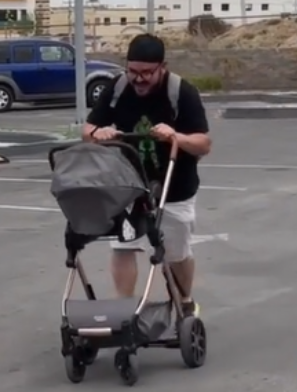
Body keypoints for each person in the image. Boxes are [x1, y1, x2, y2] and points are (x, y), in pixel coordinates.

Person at [83, 34, 212, 318]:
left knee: (176, 253)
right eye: (133, 71)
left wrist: (174, 136)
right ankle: (123, 309)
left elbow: (203, 144)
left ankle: (185, 300)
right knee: (123, 245)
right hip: (130, 183)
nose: (138, 79)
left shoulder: (181, 92)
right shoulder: (118, 88)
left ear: (162, 67)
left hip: (175, 186)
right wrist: (98, 134)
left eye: (146, 73)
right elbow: (88, 130)